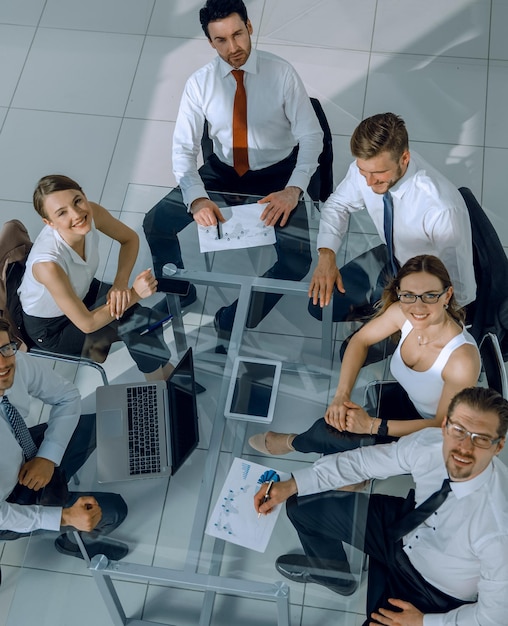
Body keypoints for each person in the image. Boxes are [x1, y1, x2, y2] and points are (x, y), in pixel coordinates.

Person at [143, 0, 323, 340]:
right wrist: (196, 199)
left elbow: (312, 137)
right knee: (155, 223)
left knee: (297, 263)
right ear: (210, 42)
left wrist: (294, 188)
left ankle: (232, 320)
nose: (233, 48)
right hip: (223, 171)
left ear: (249, 27)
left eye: (238, 35)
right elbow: (183, 148)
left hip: (276, 175)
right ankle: (180, 291)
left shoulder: (281, 73)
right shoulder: (200, 83)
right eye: (221, 40)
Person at [255, 386, 508, 625]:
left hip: (431, 590)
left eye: (481, 439)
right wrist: (293, 483)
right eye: (458, 430)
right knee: (301, 504)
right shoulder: (430, 443)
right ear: (444, 425)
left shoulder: (499, 528)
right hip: (403, 525)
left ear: (499, 446)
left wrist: (424, 622)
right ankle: (332, 575)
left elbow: (493, 617)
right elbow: (363, 463)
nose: (464, 447)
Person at [249, 255, 481, 457]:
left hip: (431, 433)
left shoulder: (462, 360)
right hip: (408, 400)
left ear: (447, 295)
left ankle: (293, 443)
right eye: (409, 295)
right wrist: (341, 395)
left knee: (332, 433)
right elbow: (360, 340)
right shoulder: (402, 312)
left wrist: (373, 426)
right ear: (399, 293)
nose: (417, 307)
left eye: (430, 296)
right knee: (341, 419)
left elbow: (441, 426)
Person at [308, 112, 476, 323]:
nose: (368, 183)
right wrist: (327, 254)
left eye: (378, 173)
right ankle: (376, 315)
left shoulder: (440, 208)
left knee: (354, 348)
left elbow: (461, 292)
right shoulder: (370, 167)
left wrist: (413, 316)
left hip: (424, 285)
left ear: (404, 158)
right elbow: (337, 204)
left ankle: (381, 320)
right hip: (392, 258)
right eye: (362, 171)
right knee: (319, 307)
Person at [18, 174, 175, 382]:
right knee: (137, 323)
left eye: (77, 201)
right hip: (54, 329)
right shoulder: (48, 265)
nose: (77, 214)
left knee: (141, 320)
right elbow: (87, 325)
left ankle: (163, 378)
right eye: (62, 213)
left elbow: (129, 239)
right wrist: (135, 294)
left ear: (83, 194)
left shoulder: (91, 213)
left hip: (81, 292)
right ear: (49, 222)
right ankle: (160, 383)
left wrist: (120, 285)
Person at [0, 317, 128, 568]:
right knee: (114, 510)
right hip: (8, 502)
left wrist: (48, 457)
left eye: (5, 348)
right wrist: (65, 516)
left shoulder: (15, 361)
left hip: (24, 452)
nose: (3, 363)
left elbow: (66, 396)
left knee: (110, 425)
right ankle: (71, 540)